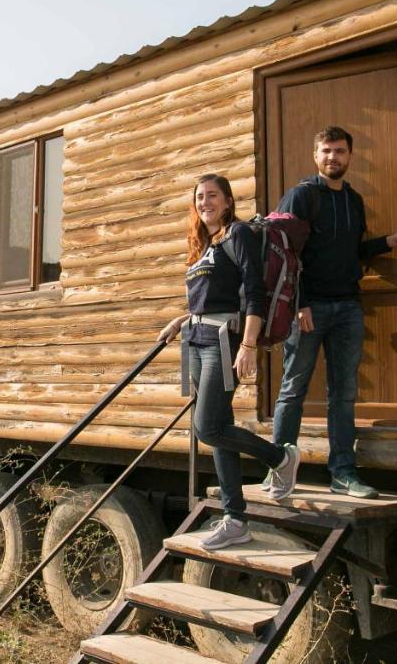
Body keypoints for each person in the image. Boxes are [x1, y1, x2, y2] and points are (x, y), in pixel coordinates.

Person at [159, 173, 300, 550]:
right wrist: (181, 319)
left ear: (227, 201)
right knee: (217, 428)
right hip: (196, 339)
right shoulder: (204, 245)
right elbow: (209, 299)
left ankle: (279, 458)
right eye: (199, 197)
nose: (205, 202)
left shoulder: (237, 235)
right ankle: (234, 518)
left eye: (212, 196)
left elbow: (253, 292)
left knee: (207, 428)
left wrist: (249, 345)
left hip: (224, 342)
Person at [270, 126, 397, 500]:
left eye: (341, 151)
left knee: (343, 395)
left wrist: (384, 244)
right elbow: (284, 255)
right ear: (316, 156)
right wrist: (299, 303)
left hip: (348, 306)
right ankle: (278, 472)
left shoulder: (354, 200)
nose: (334, 157)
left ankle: (343, 473)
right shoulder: (301, 196)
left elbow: (349, 251)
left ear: (350, 157)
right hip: (309, 309)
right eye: (327, 151)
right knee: (292, 390)